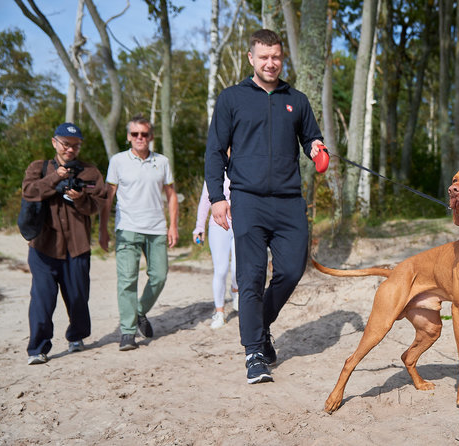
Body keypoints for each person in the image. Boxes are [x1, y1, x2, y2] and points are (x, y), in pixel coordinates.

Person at [205, 29, 324, 384]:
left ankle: (259, 324)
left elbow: (310, 137)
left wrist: (316, 148)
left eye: (276, 57)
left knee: (291, 271)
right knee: (251, 276)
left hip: (289, 201)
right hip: (249, 200)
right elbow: (214, 151)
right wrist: (216, 198)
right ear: (251, 58)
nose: (270, 63)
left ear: (281, 58)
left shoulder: (297, 99)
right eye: (264, 57)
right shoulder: (231, 99)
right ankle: (255, 353)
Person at [22, 122, 107, 365]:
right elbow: (29, 192)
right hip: (43, 247)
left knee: (78, 297)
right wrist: (54, 179)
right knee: (42, 299)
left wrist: (80, 199)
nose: (70, 150)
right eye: (66, 144)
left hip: (77, 247)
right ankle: (38, 348)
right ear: (54, 142)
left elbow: (97, 204)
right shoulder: (38, 168)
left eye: (76, 146)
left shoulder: (90, 172)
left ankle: (77, 337)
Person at [99, 114, 179, 351]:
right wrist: (103, 229)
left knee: (160, 275)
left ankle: (139, 311)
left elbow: (172, 195)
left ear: (151, 136)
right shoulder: (118, 161)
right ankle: (127, 332)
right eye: (135, 134)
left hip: (156, 228)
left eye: (144, 134)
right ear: (128, 137)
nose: (140, 138)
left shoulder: (162, 162)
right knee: (127, 281)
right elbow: (108, 196)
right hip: (127, 229)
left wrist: (173, 225)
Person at [193, 176, 239, 329]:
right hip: (218, 225)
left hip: (241, 223)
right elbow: (205, 200)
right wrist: (199, 227)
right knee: (221, 270)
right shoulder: (215, 170)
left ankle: (235, 289)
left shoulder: (243, 164)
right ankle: (219, 312)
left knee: (237, 267)